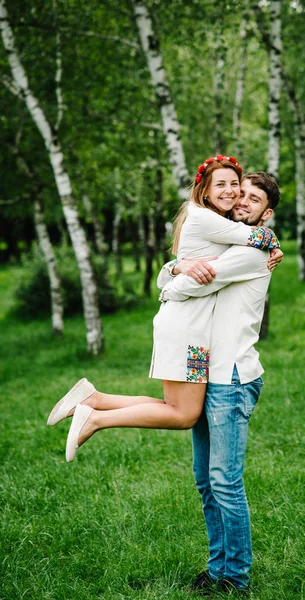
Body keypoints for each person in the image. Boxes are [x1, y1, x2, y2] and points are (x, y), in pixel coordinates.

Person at [47, 156, 282, 465]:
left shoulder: (222, 229)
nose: (236, 197)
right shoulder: (207, 219)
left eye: (240, 190)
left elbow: (187, 269)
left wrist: (174, 272)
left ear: (265, 210)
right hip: (187, 330)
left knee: (177, 408)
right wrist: (173, 281)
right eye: (228, 188)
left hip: (195, 335)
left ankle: (95, 401)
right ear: (205, 189)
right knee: (184, 414)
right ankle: (95, 417)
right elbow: (207, 270)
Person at [157, 171, 281, 596]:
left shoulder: (251, 252)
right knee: (206, 481)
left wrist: (174, 281)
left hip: (231, 375)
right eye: (240, 193)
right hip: (207, 371)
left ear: (266, 211)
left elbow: (192, 281)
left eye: (253, 198)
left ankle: (236, 576)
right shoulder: (236, 241)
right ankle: (217, 567)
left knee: (225, 481)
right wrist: (175, 264)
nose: (242, 200)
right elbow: (178, 269)